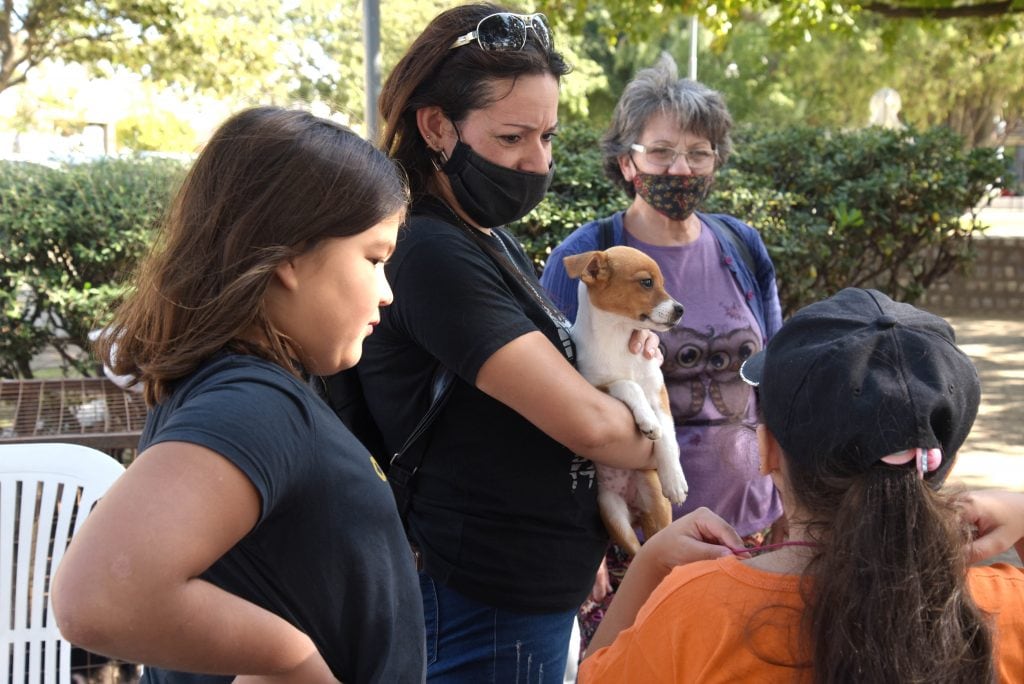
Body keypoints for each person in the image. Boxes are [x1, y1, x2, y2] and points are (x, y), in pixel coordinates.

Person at [51, 106, 424, 683]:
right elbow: (97, 597)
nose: (386, 294)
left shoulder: (247, 388)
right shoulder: (254, 404)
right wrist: (288, 660)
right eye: (374, 259)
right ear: (290, 256)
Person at [356, 3, 660, 680]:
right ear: (437, 126)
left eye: (548, 137)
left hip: (523, 589)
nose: (537, 162)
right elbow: (583, 423)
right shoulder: (432, 252)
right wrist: (658, 431)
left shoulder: (487, 238)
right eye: (514, 137)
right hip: (481, 600)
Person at [579, 287, 1024, 682]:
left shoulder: (693, 610)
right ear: (946, 458)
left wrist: (646, 567)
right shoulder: (1007, 606)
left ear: (767, 451)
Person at [539, 52, 784, 649]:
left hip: (749, 528)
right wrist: (579, 547)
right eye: (662, 152)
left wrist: (791, 512)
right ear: (627, 162)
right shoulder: (591, 256)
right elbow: (545, 405)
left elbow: (780, 380)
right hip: (638, 542)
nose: (681, 168)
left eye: (699, 153)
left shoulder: (740, 245)